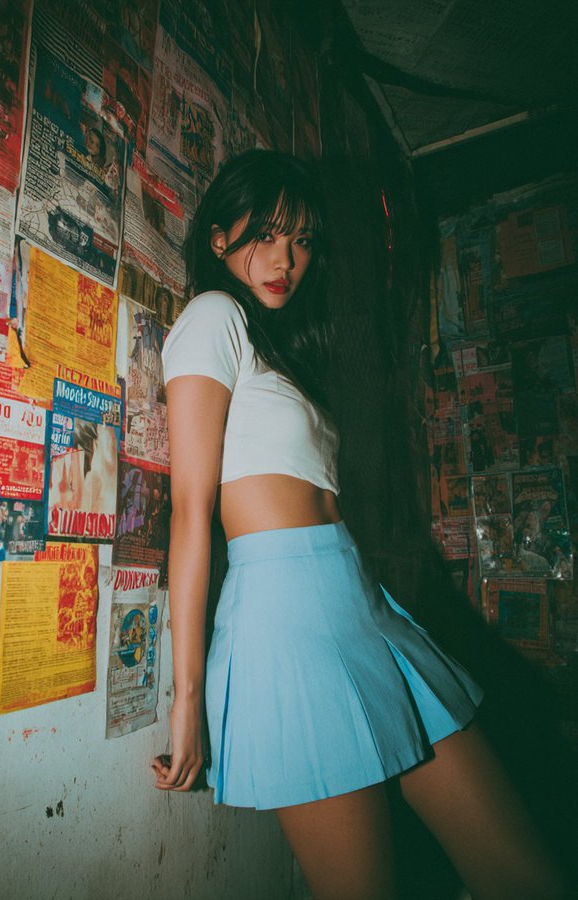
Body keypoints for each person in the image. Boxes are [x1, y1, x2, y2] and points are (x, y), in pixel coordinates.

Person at [150, 150, 569, 900]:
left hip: (364, 608)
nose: (287, 259)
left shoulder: (280, 354)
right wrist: (187, 706)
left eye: (303, 240)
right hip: (288, 626)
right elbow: (190, 513)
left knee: (524, 872)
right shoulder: (212, 318)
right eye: (269, 234)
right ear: (218, 238)